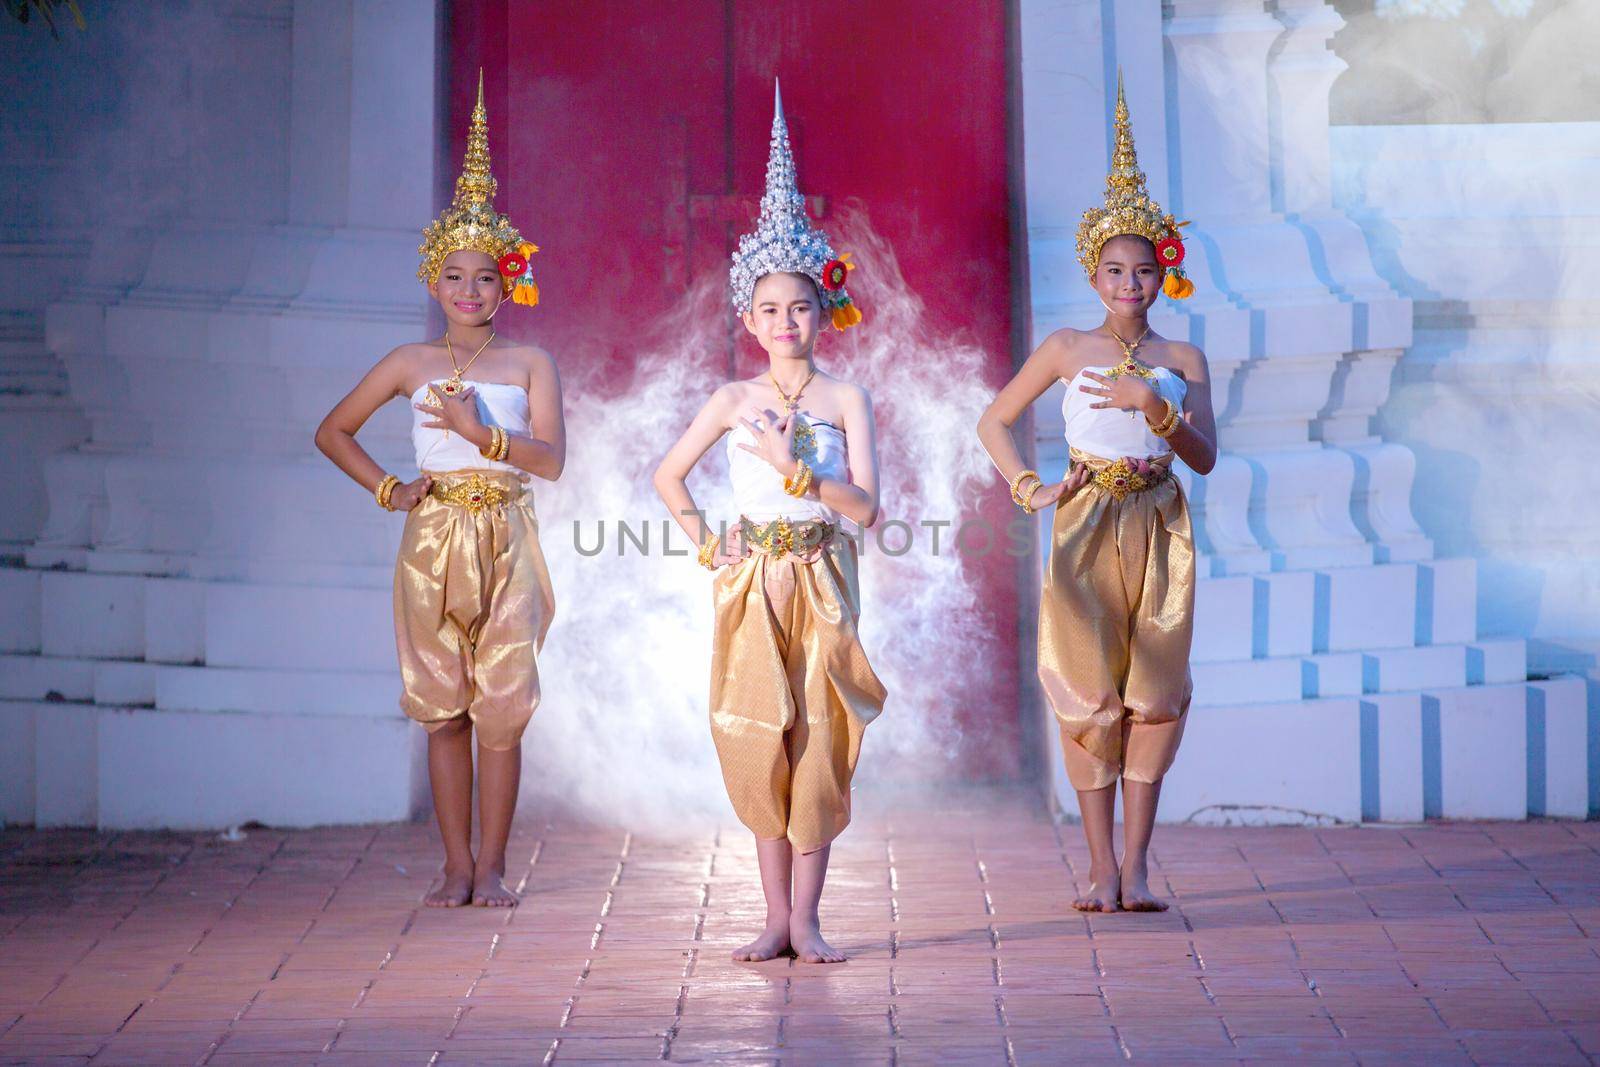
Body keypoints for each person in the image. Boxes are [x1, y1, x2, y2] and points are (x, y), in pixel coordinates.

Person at [314, 73, 561, 908]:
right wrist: (391, 489)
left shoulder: (530, 363)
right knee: (443, 706)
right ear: (432, 279)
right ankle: (454, 866)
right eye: (454, 276)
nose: (469, 292)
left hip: (509, 533)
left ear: (507, 283)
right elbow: (332, 430)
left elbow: (553, 461)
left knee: (502, 703)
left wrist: (478, 433)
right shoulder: (408, 363)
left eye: (486, 278)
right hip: (434, 536)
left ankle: (494, 865)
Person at [653, 83, 884, 963]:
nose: (786, 323)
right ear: (747, 318)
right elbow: (668, 475)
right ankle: (773, 917)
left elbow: (868, 508)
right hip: (752, 579)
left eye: (801, 307)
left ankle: (812, 918)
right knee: (759, 730)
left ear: (823, 309)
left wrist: (802, 474)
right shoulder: (732, 397)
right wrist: (712, 543)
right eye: (769, 310)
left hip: (823, 574)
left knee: (818, 733)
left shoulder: (844, 397)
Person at [976, 76, 1217, 912]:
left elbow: (1208, 457)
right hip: (1083, 522)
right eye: (1115, 269)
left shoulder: (1183, 361)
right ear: (1094, 270)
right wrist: (1031, 487)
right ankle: (1098, 866)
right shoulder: (1066, 347)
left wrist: (1157, 409)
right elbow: (994, 421)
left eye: (1143, 270)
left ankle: (1142, 864)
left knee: (1154, 690)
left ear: (1163, 275)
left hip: (1159, 520)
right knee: (1087, 691)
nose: (1129, 284)